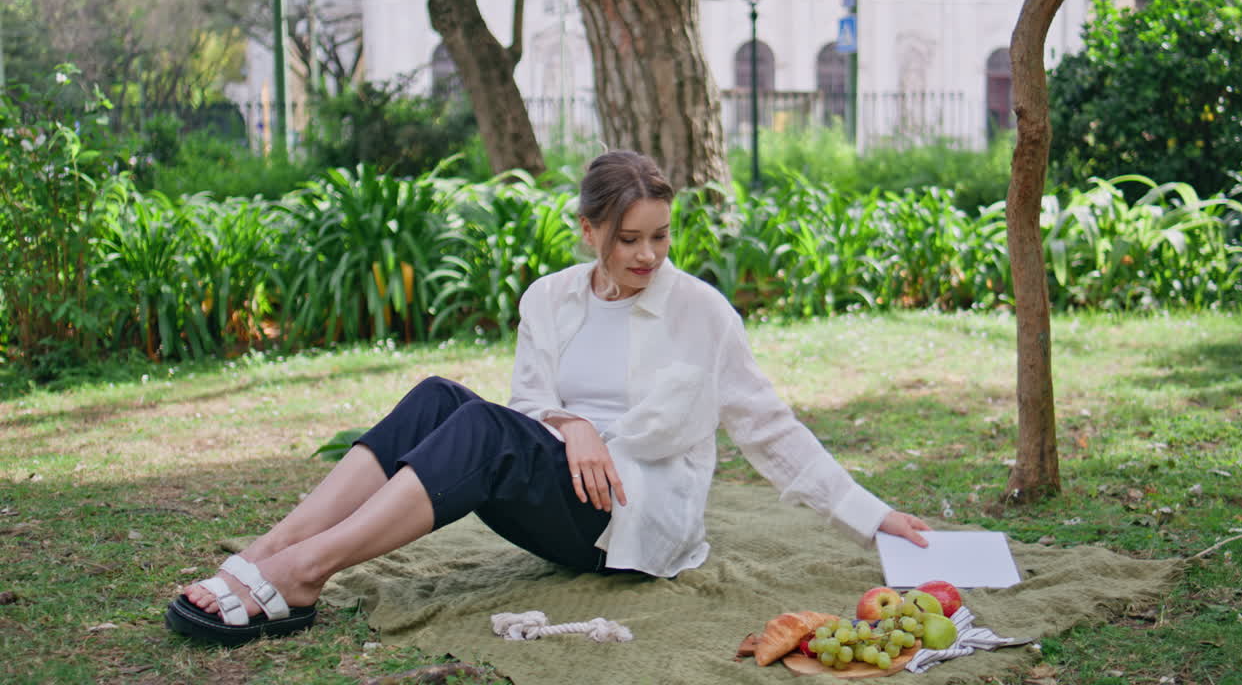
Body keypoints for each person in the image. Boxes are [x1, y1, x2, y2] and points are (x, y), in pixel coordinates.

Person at [164, 150, 930, 646]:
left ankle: (303, 573)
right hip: (560, 491)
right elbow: (533, 400)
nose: (647, 256)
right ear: (589, 229)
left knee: (486, 431)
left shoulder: (699, 312)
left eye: (660, 236)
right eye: (628, 238)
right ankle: (266, 553)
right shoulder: (550, 299)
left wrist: (874, 515)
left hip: (632, 520)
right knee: (438, 398)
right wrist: (572, 427)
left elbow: (771, 430)